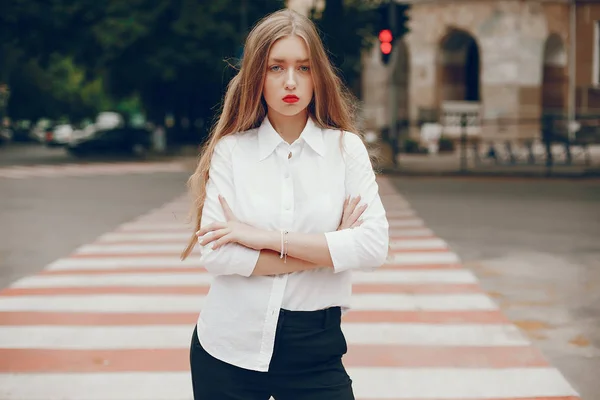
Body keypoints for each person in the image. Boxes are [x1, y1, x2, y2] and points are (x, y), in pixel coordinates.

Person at [181, 8, 389, 400]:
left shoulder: (346, 150)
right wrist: (330, 246)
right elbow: (218, 256)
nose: (290, 81)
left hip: (316, 353)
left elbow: (373, 246)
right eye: (276, 68)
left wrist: (259, 238)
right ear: (257, 75)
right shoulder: (231, 152)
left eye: (303, 68)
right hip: (227, 350)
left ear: (318, 76)